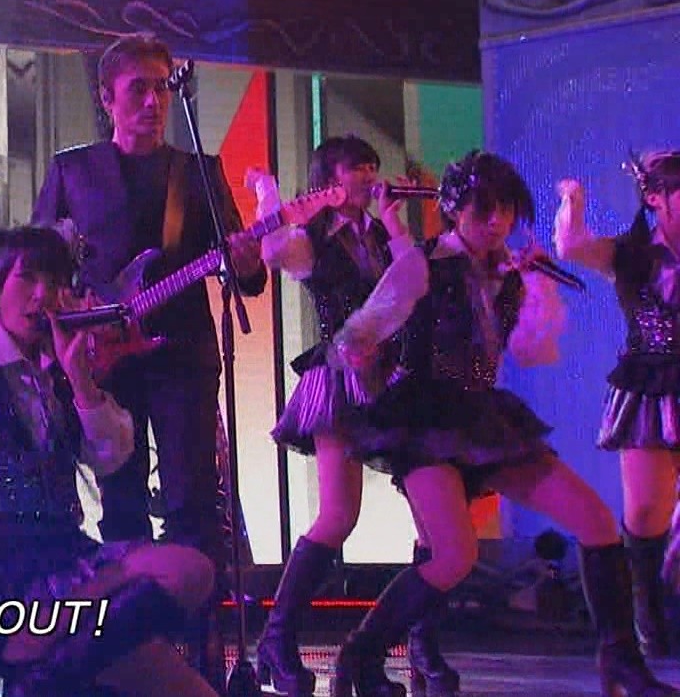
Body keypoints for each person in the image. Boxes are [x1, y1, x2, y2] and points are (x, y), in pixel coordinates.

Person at [330, 150, 679, 697]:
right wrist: (367, 368)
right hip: (424, 422)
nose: (496, 222)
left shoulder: (504, 274)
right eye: (483, 209)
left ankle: (621, 664)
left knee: (595, 521)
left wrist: (532, 289)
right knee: (454, 555)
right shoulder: (423, 263)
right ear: (454, 208)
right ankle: (360, 655)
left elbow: (531, 352)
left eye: (507, 210)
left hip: (482, 418)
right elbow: (362, 332)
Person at [0, 223, 219, 697]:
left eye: (55, 282)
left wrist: (80, 377)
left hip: (67, 548)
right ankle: (41, 656)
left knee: (192, 573)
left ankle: (42, 672)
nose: (42, 295)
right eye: (28, 278)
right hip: (0, 553)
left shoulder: (62, 364)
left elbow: (110, 458)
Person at [31, 32, 265, 671]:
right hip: (108, 359)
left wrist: (247, 262)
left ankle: (200, 641)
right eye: (138, 89)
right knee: (122, 502)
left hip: (183, 353)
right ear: (107, 98)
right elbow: (39, 264)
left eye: (162, 88)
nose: (153, 101)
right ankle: (132, 644)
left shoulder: (198, 172)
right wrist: (72, 309)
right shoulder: (73, 171)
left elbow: (244, 275)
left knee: (195, 500)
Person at [251, 137, 458, 696]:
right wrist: (272, 197)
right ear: (330, 178)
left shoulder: (383, 231)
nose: (368, 175)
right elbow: (274, 252)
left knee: (432, 521)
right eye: (356, 167)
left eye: (371, 166)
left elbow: (415, 283)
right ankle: (276, 640)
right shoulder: (312, 238)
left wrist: (395, 222)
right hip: (341, 380)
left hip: (396, 381)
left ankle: (419, 644)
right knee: (339, 514)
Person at [556, 150, 680, 658]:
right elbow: (572, 246)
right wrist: (573, 202)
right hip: (650, 382)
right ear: (655, 197)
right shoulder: (632, 254)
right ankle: (646, 607)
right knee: (647, 509)